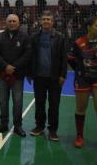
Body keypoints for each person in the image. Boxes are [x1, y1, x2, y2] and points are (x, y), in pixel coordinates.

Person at [69, 17, 97, 151]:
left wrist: (95, 69)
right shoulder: (78, 42)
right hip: (82, 79)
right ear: (89, 27)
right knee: (81, 108)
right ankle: (79, 136)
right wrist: (81, 70)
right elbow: (71, 59)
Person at [28, 11, 67, 141]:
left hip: (54, 77)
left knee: (54, 104)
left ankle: (53, 130)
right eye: (44, 19)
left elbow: (64, 57)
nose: (46, 21)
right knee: (39, 103)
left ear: (52, 22)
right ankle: (39, 126)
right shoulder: (34, 37)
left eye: (48, 19)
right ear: (40, 21)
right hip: (39, 76)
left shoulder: (60, 37)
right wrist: (30, 73)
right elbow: (31, 56)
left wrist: (63, 75)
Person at [0, 14, 31, 137]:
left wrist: (14, 67)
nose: (12, 23)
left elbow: (27, 54)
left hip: (18, 75)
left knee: (18, 102)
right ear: (6, 22)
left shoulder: (25, 37)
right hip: (3, 74)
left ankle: (17, 126)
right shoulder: (0, 36)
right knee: (3, 101)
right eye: (10, 21)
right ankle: (3, 124)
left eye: (14, 21)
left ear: (18, 23)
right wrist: (5, 66)